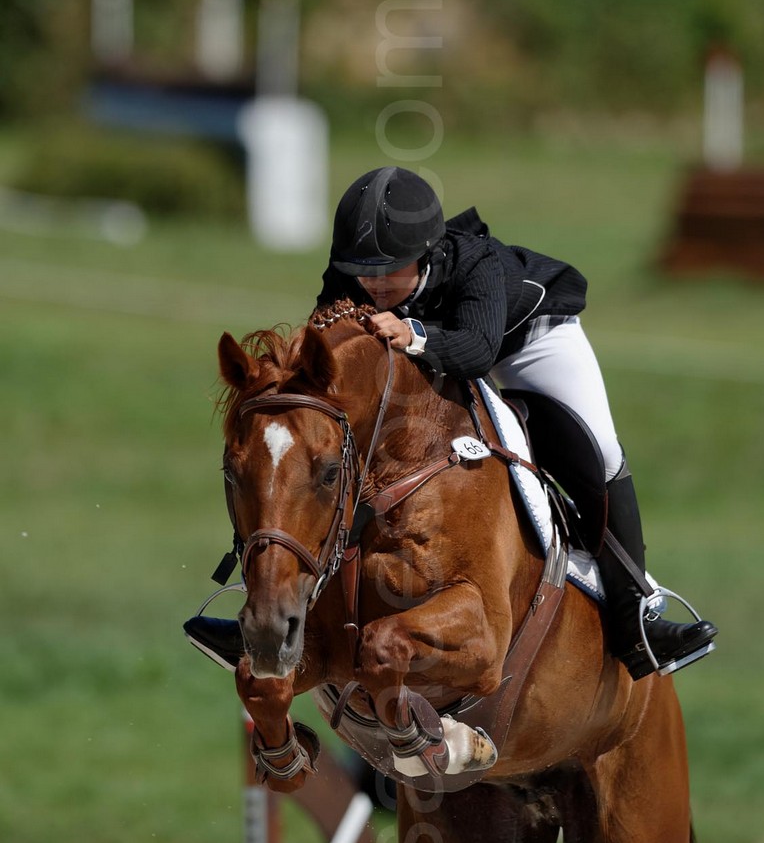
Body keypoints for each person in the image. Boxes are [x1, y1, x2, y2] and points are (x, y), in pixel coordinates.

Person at [186, 166, 717, 681]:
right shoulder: (354, 273)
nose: (373, 283)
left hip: (527, 340)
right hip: (430, 344)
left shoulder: (475, 263)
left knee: (598, 449)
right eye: (363, 270)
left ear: (424, 254)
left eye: (389, 270)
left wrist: (414, 334)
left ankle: (636, 614)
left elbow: (477, 350)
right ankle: (265, 606)